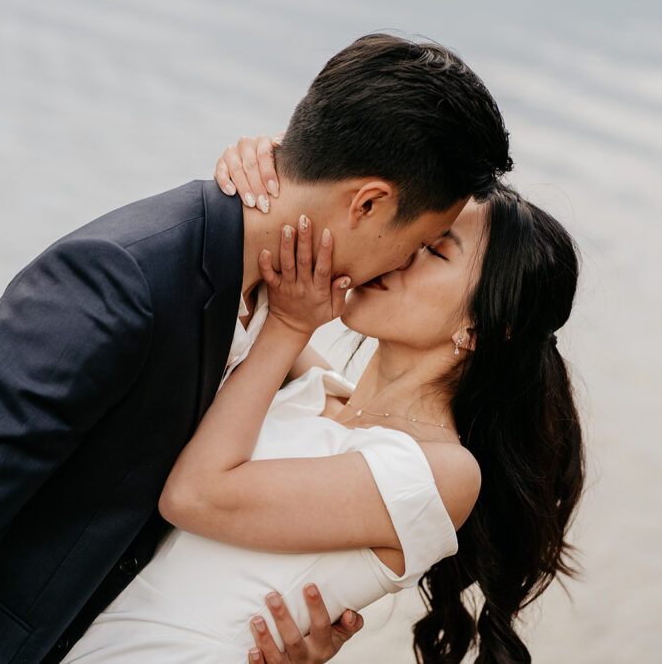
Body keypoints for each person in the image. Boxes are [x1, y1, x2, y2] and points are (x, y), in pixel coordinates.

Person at [0, 33, 511, 663]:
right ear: (369, 202)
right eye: (419, 241)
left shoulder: (287, 319)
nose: (399, 264)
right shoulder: (119, 279)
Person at [60, 155, 585, 662]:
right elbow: (264, 252)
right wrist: (271, 164)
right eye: (415, 235)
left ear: (479, 329)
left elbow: (195, 496)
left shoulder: (441, 472)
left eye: (435, 250)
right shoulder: (314, 389)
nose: (401, 251)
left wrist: (290, 326)